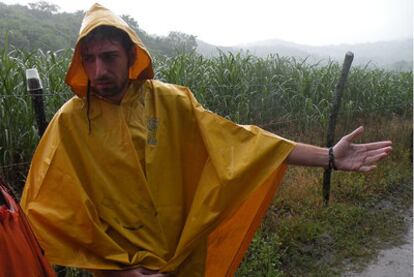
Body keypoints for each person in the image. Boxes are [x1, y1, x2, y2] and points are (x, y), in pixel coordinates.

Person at [20, 3, 392, 277]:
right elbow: (52, 207)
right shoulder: (70, 121)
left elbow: (245, 144)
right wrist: (118, 271)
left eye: (109, 57)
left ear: (132, 55)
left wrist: (328, 156)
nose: (99, 70)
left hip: (183, 261)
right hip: (119, 270)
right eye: (89, 59)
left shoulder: (171, 102)